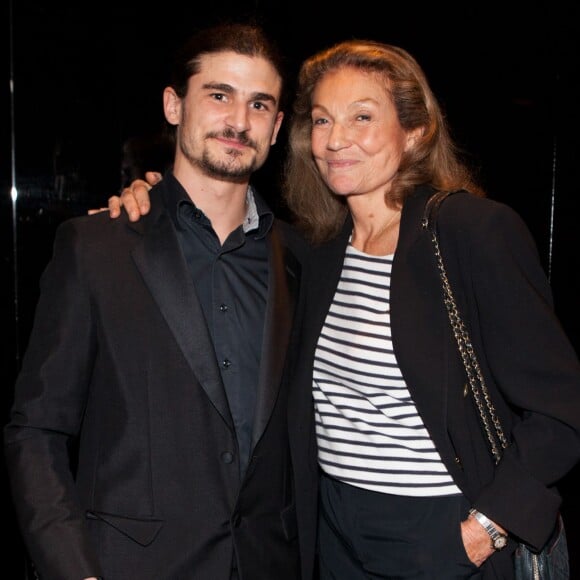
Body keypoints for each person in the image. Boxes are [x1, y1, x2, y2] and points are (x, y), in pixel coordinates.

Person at [112, 38, 580, 579]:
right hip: (332, 532)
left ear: (414, 131)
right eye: (323, 120)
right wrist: (150, 198)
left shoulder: (469, 233)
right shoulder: (316, 252)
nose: (337, 140)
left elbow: (560, 408)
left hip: (442, 529)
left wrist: (485, 529)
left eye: (362, 117)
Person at [4, 23, 315, 580]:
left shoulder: (302, 259)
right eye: (219, 95)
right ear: (175, 106)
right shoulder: (97, 248)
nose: (239, 122)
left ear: (276, 127)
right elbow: (36, 432)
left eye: (259, 104)